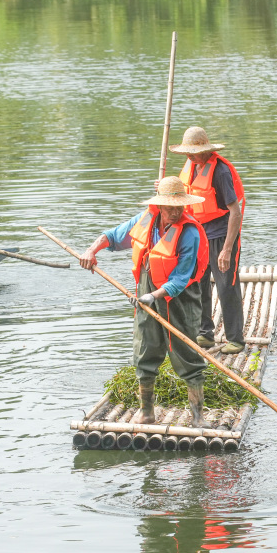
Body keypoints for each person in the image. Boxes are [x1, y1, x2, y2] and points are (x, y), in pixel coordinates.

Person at [79, 176, 211, 427]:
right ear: (159, 206)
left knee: (187, 355)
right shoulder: (145, 220)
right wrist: (90, 251)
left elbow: (181, 278)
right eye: (169, 207)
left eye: (179, 207)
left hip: (179, 301)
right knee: (144, 350)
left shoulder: (190, 232)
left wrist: (153, 296)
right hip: (145, 297)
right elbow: (112, 236)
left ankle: (197, 417)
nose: (174, 212)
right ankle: (146, 411)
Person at [169, 126, 245, 355]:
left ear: (205, 150)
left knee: (226, 286)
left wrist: (227, 249)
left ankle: (236, 339)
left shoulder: (220, 171)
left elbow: (235, 212)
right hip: (198, 235)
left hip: (221, 235)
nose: (189, 156)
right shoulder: (191, 166)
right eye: (187, 152)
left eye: (192, 152)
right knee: (198, 285)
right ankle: (205, 333)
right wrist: (164, 190)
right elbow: (182, 198)